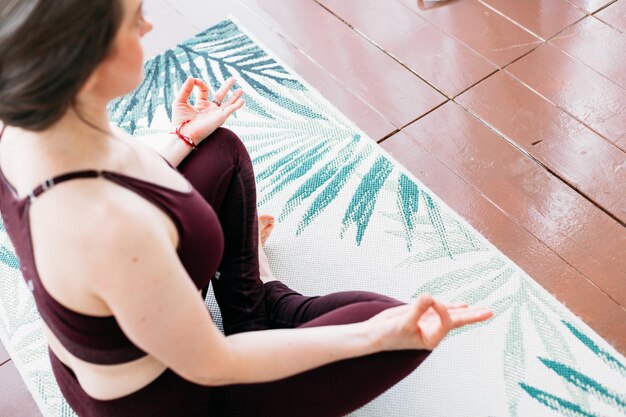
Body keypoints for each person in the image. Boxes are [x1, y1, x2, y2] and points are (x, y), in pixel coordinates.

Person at [0, 1, 493, 416]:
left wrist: (179, 138)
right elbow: (214, 363)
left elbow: (109, 168)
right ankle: (266, 302)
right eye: (134, 21)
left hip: (106, 328)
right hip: (163, 398)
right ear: (83, 64)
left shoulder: (24, 117)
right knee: (396, 326)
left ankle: (251, 309)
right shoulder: (110, 226)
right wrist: (370, 337)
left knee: (219, 152)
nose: (148, 26)